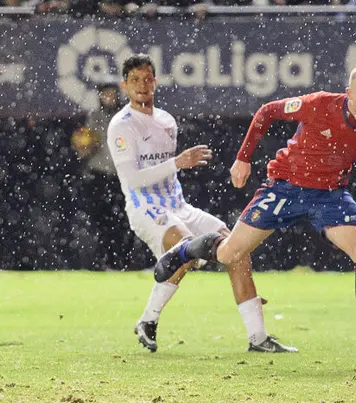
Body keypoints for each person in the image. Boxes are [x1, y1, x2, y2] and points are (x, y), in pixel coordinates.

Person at [153, 63, 356, 358]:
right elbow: (267, 111)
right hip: (285, 187)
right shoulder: (319, 105)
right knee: (229, 254)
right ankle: (185, 251)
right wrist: (243, 159)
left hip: (330, 194)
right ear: (349, 93)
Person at [107, 54, 295, 354]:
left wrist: (175, 165)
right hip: (146, 207)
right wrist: (177, 163)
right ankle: (150, 317)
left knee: (237, 249)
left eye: (147, 79)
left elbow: (166, 169)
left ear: (155, 81)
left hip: (178, 205)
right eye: (135, 80)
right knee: (185, 248)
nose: (142, 86)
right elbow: (132, 179)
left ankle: (258, 337)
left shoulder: (167, 120)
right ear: (124, 86)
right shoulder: (121, 125)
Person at [71, 84, 130, 270]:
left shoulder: (125, 117)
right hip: (99, 175)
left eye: (112, 95)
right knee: (100, 220)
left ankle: (122, 261)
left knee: (123, 221)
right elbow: (84, 149)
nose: (109, 98)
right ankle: (102, 261)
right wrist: (85, 147)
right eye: (105, 95)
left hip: (121, 175)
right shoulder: (94, 117)